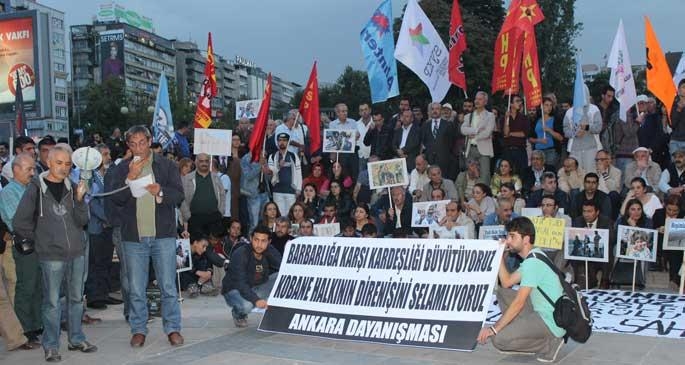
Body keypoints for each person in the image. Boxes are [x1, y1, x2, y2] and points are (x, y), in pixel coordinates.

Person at [13, 144, 98, 361]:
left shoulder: (73, 187)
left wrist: (79, 200)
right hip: (50, 256)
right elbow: (20, 222)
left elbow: (83, 220)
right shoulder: (35, 187)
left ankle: (76, 338)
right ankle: (51, 345)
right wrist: (42, 241)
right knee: (51, 303)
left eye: (68, 164)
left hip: (76, 252)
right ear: (48, 162)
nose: (63, 168)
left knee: (77, 299)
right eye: (59, 163)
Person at [107, 125, 185, 348]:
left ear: (149, 141)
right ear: (128, 146)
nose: (138, 147)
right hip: (133, 237)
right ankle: (138, 328)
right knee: (135, 287)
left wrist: (160, 191)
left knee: (168, 285)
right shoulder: (122, 168)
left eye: (142, 142)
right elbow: (115, 200)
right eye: (133, 143)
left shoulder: (166, 165)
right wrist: (128, 179)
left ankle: (172, 328)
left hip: (163, 235)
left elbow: (178, 195)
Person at [477, 217, 566, 363]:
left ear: (526, 239)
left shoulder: (533, 263)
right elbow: (506, 282)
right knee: (503, 292)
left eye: (512, 236)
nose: (508, 240)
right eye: (508, 236)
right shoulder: (534, 255)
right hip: (543, 311)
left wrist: (493, 329)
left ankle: (549, 343)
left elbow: (519, 302)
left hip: (550, 319)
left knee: (499, 339)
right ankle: (522, 330)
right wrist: (499, 257)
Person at [0, 153, 41, 346]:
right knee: (25, 286)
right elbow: (15, 220)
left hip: (38, 243)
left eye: (34, 169)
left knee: (37, 286)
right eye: (29, 169)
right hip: (24, 245)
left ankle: (36, 324)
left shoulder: (31, 188)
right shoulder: (9, 192)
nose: (32, 173)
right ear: (16, 169)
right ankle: (26, 328)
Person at [222, 225, 281, 328]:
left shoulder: (269, 250)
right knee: (247, 306)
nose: (259, 244)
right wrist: (256, 300)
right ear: (251, 239)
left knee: (282, 277)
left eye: (263, 241)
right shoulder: (241, 254)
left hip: (256, 286)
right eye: (256, 240)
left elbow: (283, 265)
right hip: (234, 289)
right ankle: (238, 313)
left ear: (269, 242)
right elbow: (240, 283)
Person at [84, 144, 120, 310]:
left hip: (108, 226)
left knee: (106, 261)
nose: (109, 157)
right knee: (96, 261)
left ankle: (104, 293)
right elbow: (91, 202)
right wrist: (107, 217)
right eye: (105, 154)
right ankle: (94, 296)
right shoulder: (89, 177)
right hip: (96, 226)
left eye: (108, 154)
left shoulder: (108, 175)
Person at [180, 153, 226, 237]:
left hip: (214, 217)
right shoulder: (187, 178)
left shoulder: (216, 178)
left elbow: (222, 195)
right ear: (196, 162)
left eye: (206, 161)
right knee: (197, 247)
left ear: (209, 162)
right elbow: (182, 198)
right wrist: (188, 216)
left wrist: (220, 212)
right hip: (195, 219)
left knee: (214, 246)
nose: (204, 163)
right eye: (201, 161)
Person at [572, 200, 615, 288]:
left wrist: (596, 234)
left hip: (600, 252)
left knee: (608, 250)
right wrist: (581, 234)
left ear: (597, 212)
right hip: (585, 252)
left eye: (590, 211)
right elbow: (573, 240)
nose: (586, 214)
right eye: (584, 211)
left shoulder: (606, 221)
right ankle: (590, 279)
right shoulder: (578, 221)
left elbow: (612, 239)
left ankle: (605, 279)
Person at [563, 84, 603, 172]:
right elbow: (566, 131)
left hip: (592, 148)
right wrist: (575, 133)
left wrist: (587, 127)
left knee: (591, 174)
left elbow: (598, 127)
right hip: (574, 150)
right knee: (576, 174)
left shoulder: (594, 109)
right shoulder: (569, 112)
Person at [461, 91, 495, 184]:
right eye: (476, 99)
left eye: (480, 99)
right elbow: (463, 129)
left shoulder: (490, 116)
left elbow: (487, 133)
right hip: (470, 149)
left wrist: (473, 135)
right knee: (471, 175)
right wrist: (475, 131)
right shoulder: (469, 116)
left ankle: (484, 195)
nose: (477, 101)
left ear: (485, 102)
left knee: (484, 175)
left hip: (484, 150)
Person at [266, 133, 302, 217]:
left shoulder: (293, 156)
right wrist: (278, 166)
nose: (282, 142)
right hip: (277, 190)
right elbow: (270, 172)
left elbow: (298, 173)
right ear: (277, 142)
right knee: (279, 215)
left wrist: (299, 189)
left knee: (291, 215)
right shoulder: (273, 156)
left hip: (291, 190)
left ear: (288, 142)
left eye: (284, 140)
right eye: (280, 140)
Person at [652, 195, 684, 284]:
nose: (671, 212)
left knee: (675, 250)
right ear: (665, 206)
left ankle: (674, 278)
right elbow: (652, 229)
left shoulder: (683, 215)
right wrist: (658, 229)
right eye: (669, 209)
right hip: (660, 241)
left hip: (677, 244)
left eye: (675, 211)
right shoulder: (658, 213)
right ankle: (660, 261)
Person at [422, 102, 458, 180]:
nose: (435, 111)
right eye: (432, 109)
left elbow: (452, 142)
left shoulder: (448, 125)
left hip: (444, 160)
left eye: (437, 109)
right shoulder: (425, 125)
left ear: (441, 111)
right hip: (430, 160)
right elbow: (424, 141)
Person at [530, 97, 564, 167]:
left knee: (549, 171)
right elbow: (530, 138)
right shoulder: (535, 120)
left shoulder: (556, 119)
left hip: (551, 151)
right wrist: (539, 140)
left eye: (550, 105)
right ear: (541, 106)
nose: (549, 107)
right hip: (538, 151)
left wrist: (549, 130)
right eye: (546, 105)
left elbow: (561, 138)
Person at [502, 95, 531, 173]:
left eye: (520, 101)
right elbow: (505, 133)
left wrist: (510, 134)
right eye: (517, 101)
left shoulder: (524, 118)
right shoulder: (504, 117)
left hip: (520, 150)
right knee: (508, 173)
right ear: (511, 104)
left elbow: (524, 134)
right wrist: (506, 119)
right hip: (508, 150)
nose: (520, 103)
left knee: (522, 173)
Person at [669, 79, 685, 155]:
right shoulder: (672, 104)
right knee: (675, 165)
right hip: (676, 141)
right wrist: (678, 109)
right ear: (678, 89)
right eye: (684, 87)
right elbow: (672, 124)